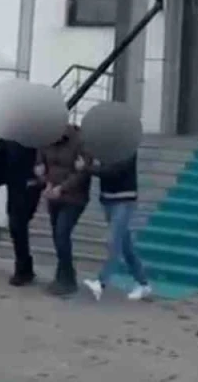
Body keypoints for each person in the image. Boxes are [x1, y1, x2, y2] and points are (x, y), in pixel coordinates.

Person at [82, 152, 154, 301]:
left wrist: (87, 168)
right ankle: (143, 283)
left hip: (125, 200)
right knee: (126, 246)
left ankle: (101, 282)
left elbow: (113, 171)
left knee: (114, 241)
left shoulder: (128, 148)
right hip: (108, 199)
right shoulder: (108, 147)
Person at [34, 124, 92, 296]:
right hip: (53, 196)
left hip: (75, 197)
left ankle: (66, 279)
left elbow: (82, 172)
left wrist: (62, 188)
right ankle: (65, 275)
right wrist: (45, 182)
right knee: (57, 236)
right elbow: (41, 166)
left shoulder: (81, 141)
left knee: (62, 233)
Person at [0, 137, 42, 286]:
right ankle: (23, 268)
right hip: (14, 183)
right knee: (16, 225)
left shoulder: (37, 130)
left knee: (20, 223)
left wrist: (40, 175)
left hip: (32, 182)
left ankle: (25, 268)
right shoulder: (8, 132)